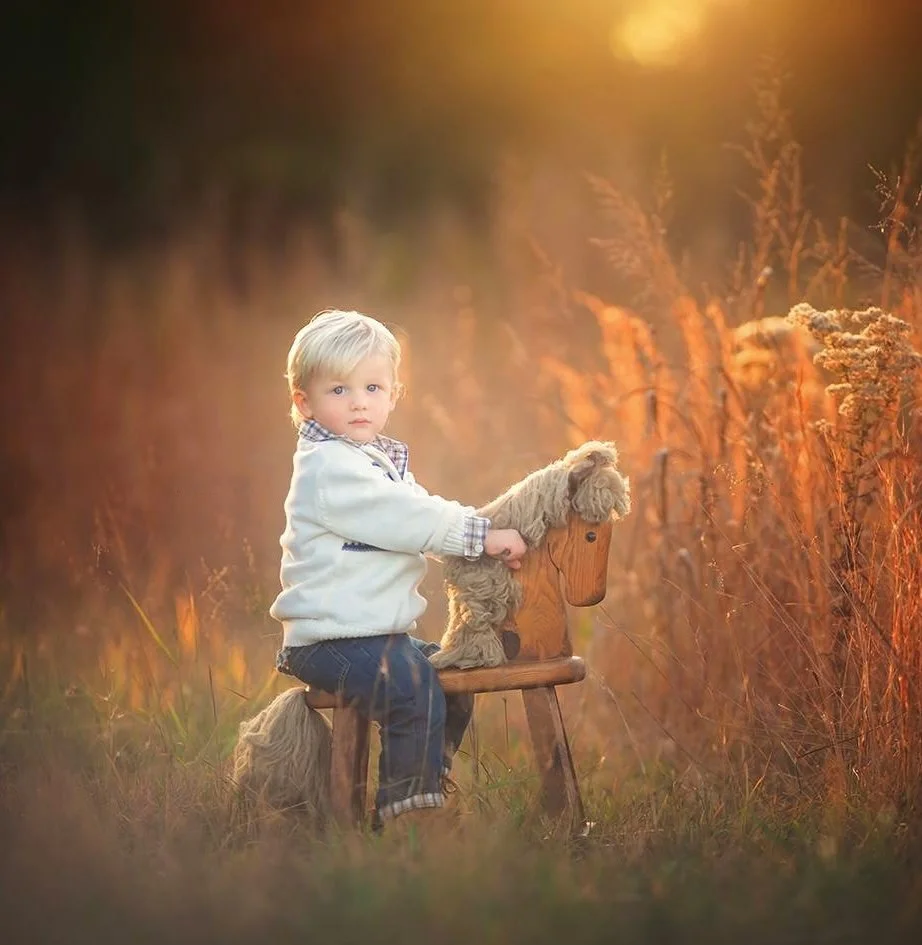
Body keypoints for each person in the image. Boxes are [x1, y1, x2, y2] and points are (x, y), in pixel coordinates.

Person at [270, 308, 527, 831]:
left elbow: (423, 511)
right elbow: (411, 520)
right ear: (305, 403)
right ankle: (411, 822)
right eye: (338, 390)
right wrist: (481, 537)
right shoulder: (330, 467)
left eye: (372, 387)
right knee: (411, 689)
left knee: (450, 676)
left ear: (393, 394)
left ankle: (423, 788)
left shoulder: (371, 460)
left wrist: (480, 528)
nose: (359, 401)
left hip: (372, 636)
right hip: (330, 641)